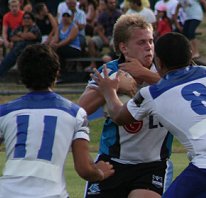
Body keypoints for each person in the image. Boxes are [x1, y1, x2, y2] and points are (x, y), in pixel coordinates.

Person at [90, 32, 206, 198]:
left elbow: (118, 116)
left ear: (158, 62)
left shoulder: (153, 93)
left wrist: (109, 91)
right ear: (190, 54)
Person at [0, 44, 115, 198]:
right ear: (57, 73)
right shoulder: (75, 113)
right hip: (51, 194)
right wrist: (100, 173)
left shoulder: (5, 112)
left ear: (21, 75)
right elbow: (84, 169)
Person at [79, 14, 174, 198]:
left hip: (152, 165)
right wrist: (112, 86)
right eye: (141, 42)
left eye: (151, 41)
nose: (149, 47)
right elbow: (80, 110)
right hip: (112, 163)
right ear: (124, 47)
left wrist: (145, 74)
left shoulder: (164, 69)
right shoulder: (110, 71)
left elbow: (182, 87)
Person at [0, 11, 41, 77]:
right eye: (24, 18)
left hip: (30, 52)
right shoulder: (19, 27)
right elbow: (12, 37)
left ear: (32, 20)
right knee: (6, 61)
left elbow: (32, 36)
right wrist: (23, 37)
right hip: (16, 50)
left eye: (28, 18)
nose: (26, 20)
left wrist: (19, 34)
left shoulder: (35, 28)